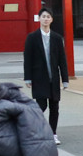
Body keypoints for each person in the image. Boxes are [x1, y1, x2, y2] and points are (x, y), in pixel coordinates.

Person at [23, 7, 69, 145]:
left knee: (55, 107)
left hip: (53, 78)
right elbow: (28, 59)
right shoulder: (32, 37)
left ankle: (53, 133)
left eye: (48, 16)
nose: (46, 19)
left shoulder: (56, 38)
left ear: (52, 19)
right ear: (39, 18)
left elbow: (62, 59)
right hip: (39, 77)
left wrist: (65, 79)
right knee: (41, 106)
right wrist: (28, 77)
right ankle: (37, 130)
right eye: (43, 16)